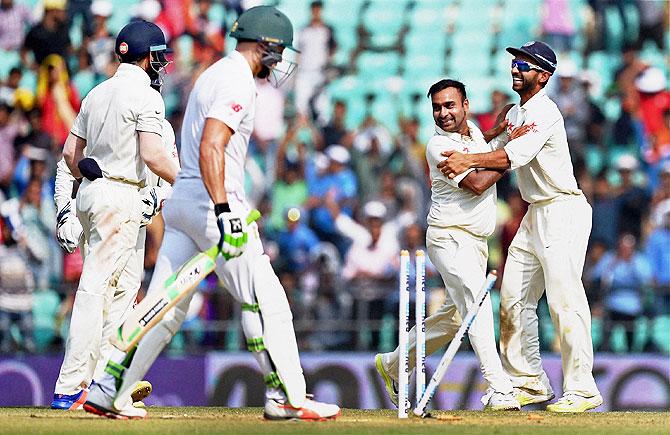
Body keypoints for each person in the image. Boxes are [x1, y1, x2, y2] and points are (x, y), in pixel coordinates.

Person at [84, 6, 340, 421]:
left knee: (163, 308)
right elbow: (211, 145)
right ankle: (286, 396)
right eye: (279, 51)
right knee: (264, 300)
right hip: (212, 203)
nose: (281, 62)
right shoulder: (237, 82)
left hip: (183, 200)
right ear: (267, 47)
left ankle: (109, 386)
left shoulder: (215, 74)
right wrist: (224, 210)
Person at [438, 41, 603, 412]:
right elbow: (493, 139)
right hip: (535, 212)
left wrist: (467, 158)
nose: (516, 69)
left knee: (564, 298)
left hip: (563, 208)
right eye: (515, 63)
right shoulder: (515, 114)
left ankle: (583, 388)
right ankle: (528, 382)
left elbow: (512, 156)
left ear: (543, 77)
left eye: (525, 66)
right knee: (513, 297)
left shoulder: (546, 113)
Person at [375, 79, 526, 411]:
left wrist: (499, 136)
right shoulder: (437, 146)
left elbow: (481, 150)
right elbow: (476, 182)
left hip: (475, 242)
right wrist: (510, 154)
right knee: (478, 303)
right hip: (448, 237)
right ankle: (499, 388)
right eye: (437, 108)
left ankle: (393, 363)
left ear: (466, 105)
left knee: (456, 318)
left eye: (449, 105)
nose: (443, 113)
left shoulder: (472, 131)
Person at [52, 19, 178, 411]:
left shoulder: (96, 93)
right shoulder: (146, 96)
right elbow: (156, 156)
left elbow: (72, 158)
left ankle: (106, 386)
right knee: (94, 292)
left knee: (122, 296)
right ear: (145, 57)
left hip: (100, 196)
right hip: (121, 197)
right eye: (157, 57)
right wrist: (193, 181)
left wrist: (78, 196)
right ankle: (71, 386)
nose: (160, 65)